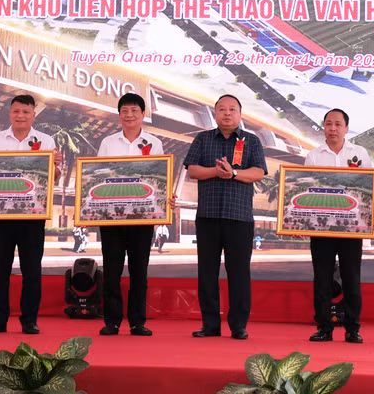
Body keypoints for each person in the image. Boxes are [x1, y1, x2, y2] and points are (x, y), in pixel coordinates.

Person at [184, 94, 267, 340]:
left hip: (239, 217)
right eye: (222, 109)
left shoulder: (251, 141)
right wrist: (216, 171)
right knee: (207, 272)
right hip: (207, 215)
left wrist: (233, 174)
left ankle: (238, 326)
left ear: (240, 114)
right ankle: (210, 324)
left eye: (232, 109)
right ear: (215, 113)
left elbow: (258, 172)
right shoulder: (202, 138)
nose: (227, 113)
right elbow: (192, 170)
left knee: (239, 273)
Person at [0, 94, 62, 335]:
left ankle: (29, 320)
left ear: (33, 115)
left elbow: (53, 179)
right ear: (10, 113)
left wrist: (56, 166)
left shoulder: (46, 141)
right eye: (16, 111)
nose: (20, 116)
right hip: (0, 216)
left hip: (32, 216)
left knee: (31, 270)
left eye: (26, 112)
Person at [96, 92, 164, 336]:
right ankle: (112, 322)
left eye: (134, 110)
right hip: (111, 217)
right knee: (112, 270)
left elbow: (159, 177)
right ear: (119, 115)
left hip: (142, 217)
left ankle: (137, 322)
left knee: (139, 271)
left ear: (143, 114)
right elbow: (99, 174)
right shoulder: (108, 143)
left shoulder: (154, 143)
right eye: (124, 111)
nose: (129, 115)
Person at [305, 108, 372, 344]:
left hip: (351, 229)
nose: (332, 128)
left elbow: (369, 188)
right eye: (328, 124)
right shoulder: (314, 156)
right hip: (321, 229)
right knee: (322, 279)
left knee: (351, 278)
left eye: (337, 124)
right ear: (323, 127)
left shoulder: (359, 154)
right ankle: (324, 327)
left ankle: (352, 329)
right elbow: (307, 190)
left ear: (346, 128)